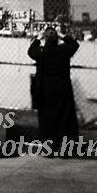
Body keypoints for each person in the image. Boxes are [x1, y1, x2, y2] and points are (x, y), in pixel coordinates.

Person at [28, 27, 80, 157]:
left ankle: (49, 146)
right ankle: (64, 148)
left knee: (47, 116)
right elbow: (74, 44)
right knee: (64, 114)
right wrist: (63, 36)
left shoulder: (41, 52)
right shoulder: (63, 51)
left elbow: (30, 51)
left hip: (45, 88)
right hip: (62, 87)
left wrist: (38, 39)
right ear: (57, 39)